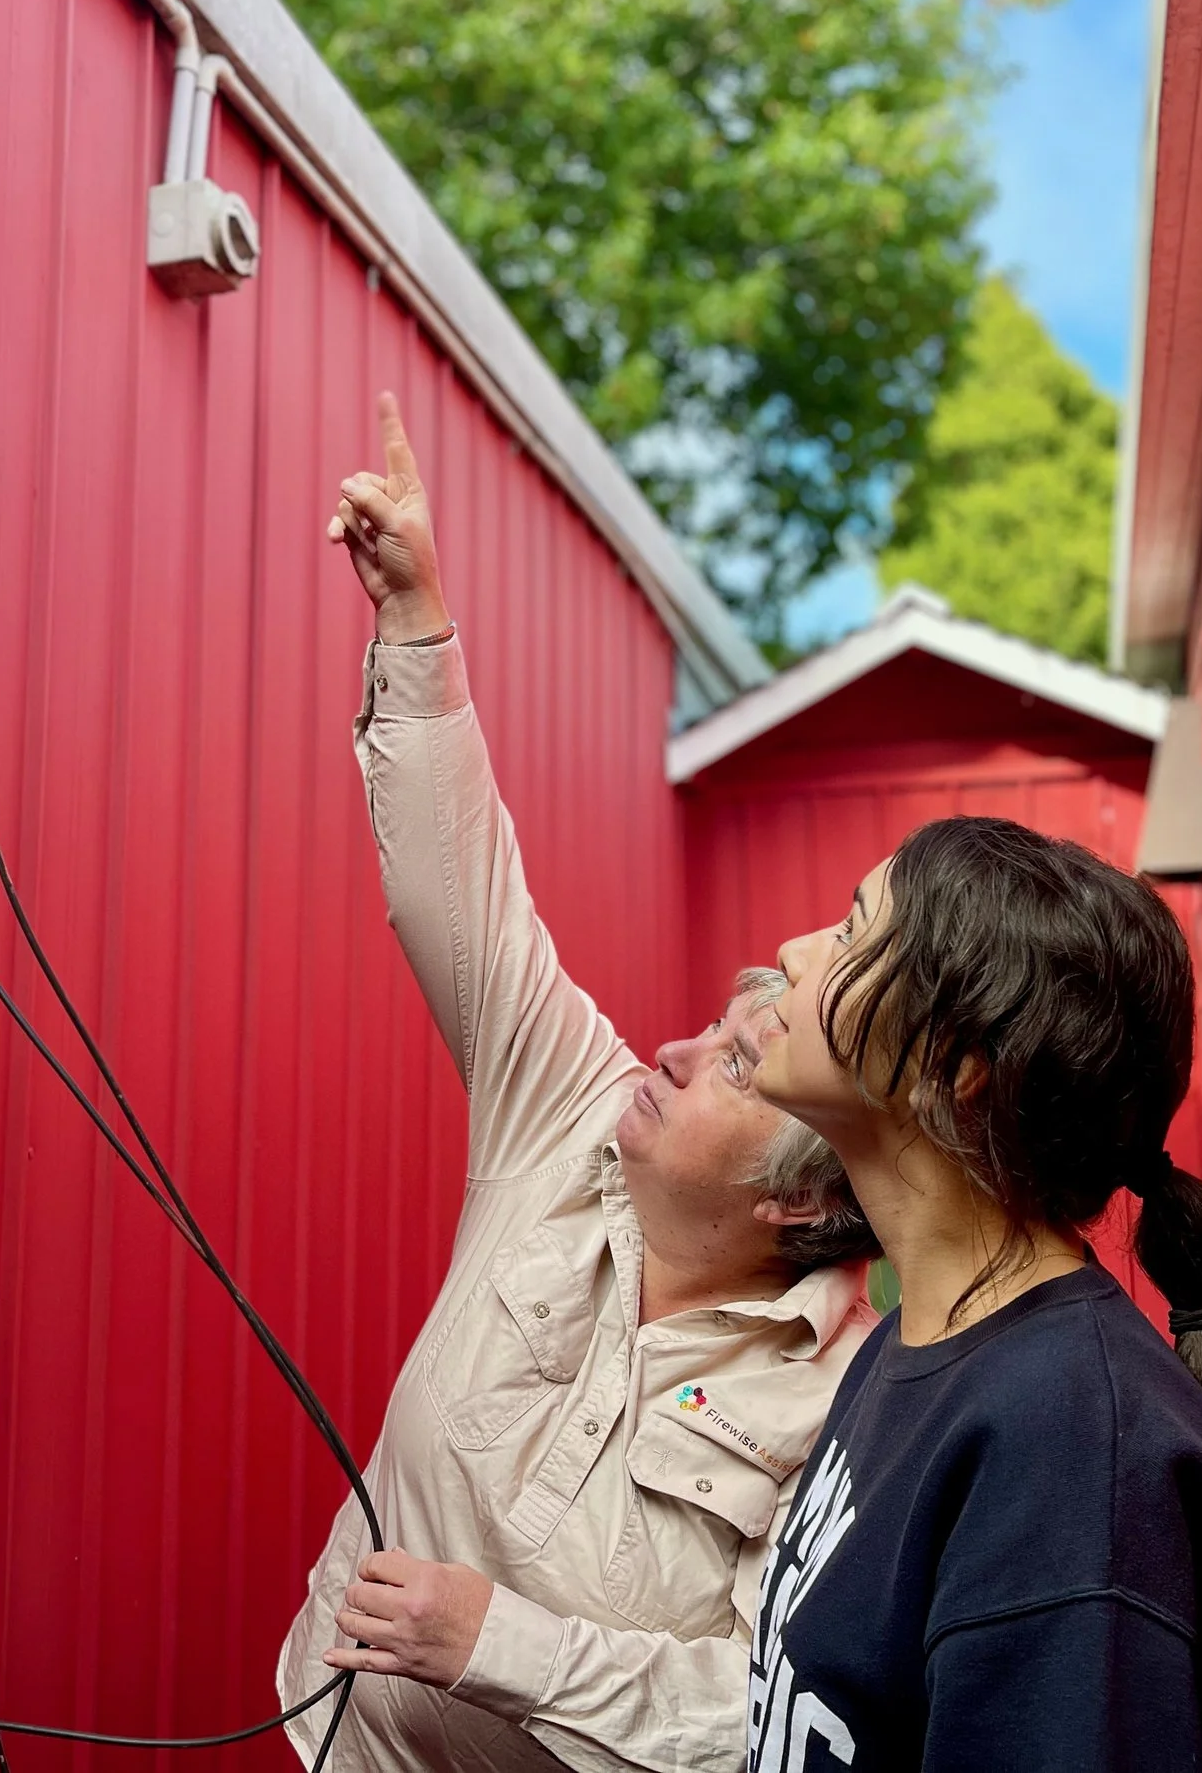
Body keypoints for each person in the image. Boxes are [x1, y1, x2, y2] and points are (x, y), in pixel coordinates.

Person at [276, 393, 880, 1773]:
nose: (672, 1050)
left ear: (799, 1204)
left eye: (737, 1060)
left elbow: (760, 1712)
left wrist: (502, 1641)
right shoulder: (574, 1116)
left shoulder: (847, 1404)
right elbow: (466, 894)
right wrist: (418, 618)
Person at [743, 817, 1202, 1772]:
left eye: (852, 930)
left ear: (956, 1063)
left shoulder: (1062, 1459)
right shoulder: (913, 1343)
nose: (794, 952)